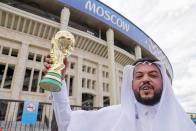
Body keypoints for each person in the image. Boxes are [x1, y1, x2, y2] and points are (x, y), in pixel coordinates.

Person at [43, 56, 196, 131]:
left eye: (153, 75)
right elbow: (67, 123)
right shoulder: (113, 115)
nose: (146, 80)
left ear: (164, 83)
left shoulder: (183, 123)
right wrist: (59, 79)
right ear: (131, 84)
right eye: (139, 76)